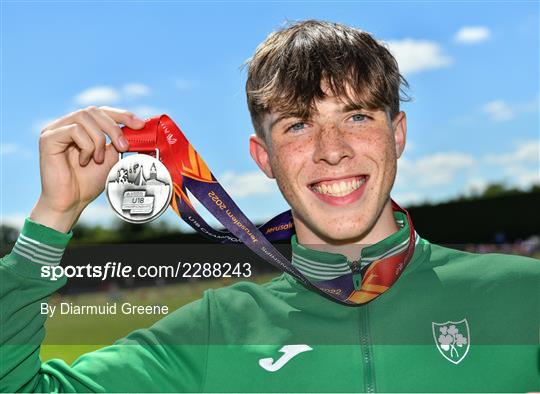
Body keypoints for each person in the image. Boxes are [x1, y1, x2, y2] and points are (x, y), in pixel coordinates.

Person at [1, 20, 538, 393]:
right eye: (298, 125)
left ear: (397, 134)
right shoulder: (216, 333)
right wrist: (53, 217)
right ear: (264, 158)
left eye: (357, 117)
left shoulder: (524, 294)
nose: (332, 150)